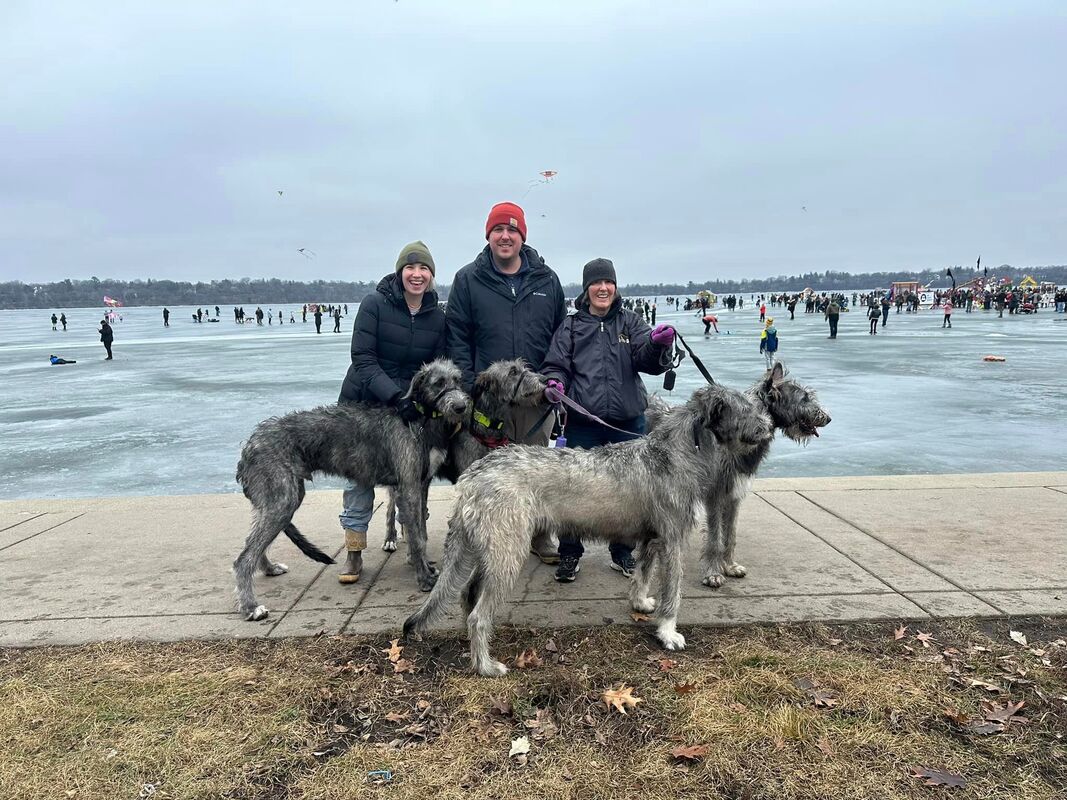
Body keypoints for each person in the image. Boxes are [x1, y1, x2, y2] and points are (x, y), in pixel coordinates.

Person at [446, 201, 568, 564]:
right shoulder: (468, 279)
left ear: (522, 236)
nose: (505, 236)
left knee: (538, 468)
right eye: (498, 229)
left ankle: (541, 535)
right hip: (488, 402)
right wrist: (469, 391)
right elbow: (457, 339)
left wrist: (553, 380)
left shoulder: (547, 280)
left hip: (536, 398)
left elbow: (561, 337)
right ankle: (484, 538)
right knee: (488, 473)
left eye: (512, 230)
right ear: (489, 235)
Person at [541, 258, 675, 582]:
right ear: (587, 289)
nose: (603, 288)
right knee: (571, 489)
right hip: (582, 424)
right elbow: (555, 363)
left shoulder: (630, 322)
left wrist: (658, 345)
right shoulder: (571, 327)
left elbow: (648, 358)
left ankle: (622, 551)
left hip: (627, 425)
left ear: (615, 287)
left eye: (608, 283)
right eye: (597, 283)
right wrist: (555, 382)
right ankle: (570, 552)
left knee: (630, 494)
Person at [336, 241, 447, 584]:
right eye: (410, 268)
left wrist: (423, 403)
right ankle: (354, 552)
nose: (417, 275)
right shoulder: (375, 304)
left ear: (431, 275)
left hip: (410, 410)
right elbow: (363, 358)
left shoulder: (436, 316)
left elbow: (437, 368)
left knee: (413, 480)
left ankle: (416, 549)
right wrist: (395, 395)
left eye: (424, 269)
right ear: (400, 272)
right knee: (361, 479)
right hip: (364, 405)